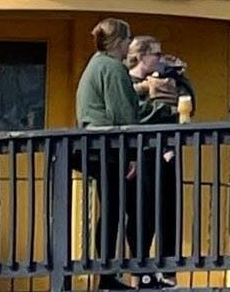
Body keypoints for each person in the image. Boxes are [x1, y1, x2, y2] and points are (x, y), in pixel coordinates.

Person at [75, 18, 144, 291]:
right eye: (127, 40)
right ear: (118, 42)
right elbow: (123, 114)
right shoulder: (113, 68)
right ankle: (108, 274)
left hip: (92, 144)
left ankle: (105, 273)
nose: (129, 45)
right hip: (109, 148)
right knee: (117, 210)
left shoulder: (95, 63)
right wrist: (133, 153)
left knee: (111, 209)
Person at [125, 36, 191, 289]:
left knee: (169, 211)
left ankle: (167, 271)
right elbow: (136, 115)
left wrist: (177, 75)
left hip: (165, 154)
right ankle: (140, 270)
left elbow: (186, 101)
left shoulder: (165, 78)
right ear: (141, 56)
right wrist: (164, 109)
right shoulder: (128, 82)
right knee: (142, 214)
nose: (160, 58)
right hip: (139, 156)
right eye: (156, 53)